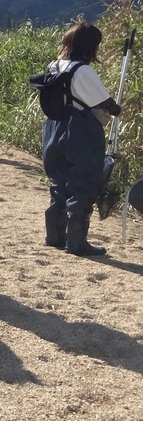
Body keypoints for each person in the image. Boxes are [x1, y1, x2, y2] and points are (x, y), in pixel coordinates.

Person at [41, 22, 121, 256]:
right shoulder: (82, 70)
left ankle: (54, 236)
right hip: (80, 129)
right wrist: (118, 109)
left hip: (54, 127)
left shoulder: (54, 65)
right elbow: (106, 104)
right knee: (84, 181)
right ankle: (76, 242)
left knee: (59, 180)